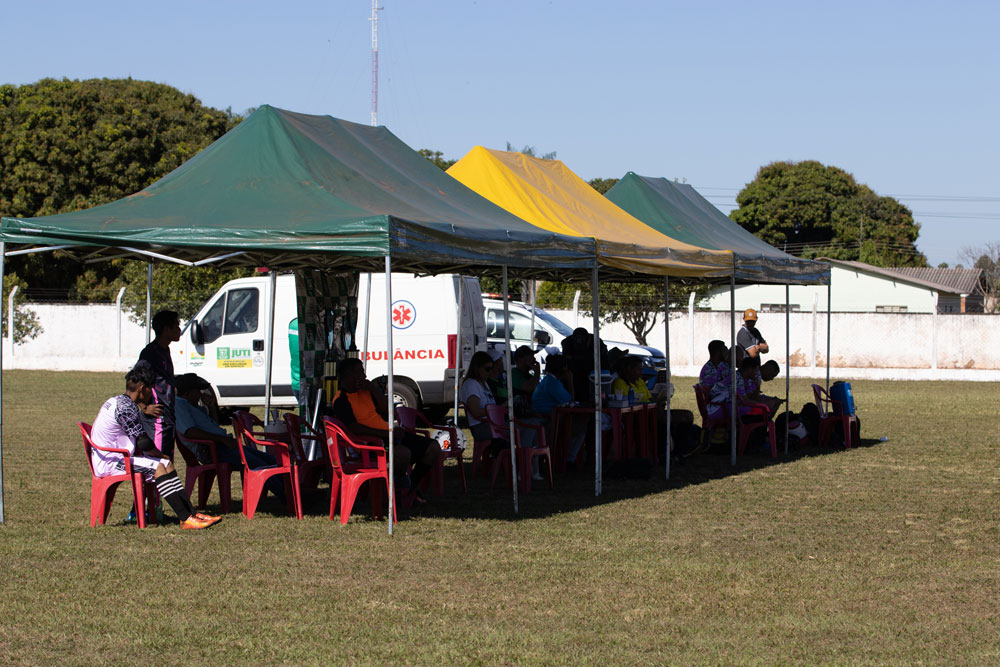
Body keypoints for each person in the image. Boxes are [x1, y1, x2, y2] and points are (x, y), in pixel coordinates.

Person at [89, 364, 220, 530]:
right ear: (143, 389)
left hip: (114, 457)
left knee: (167, 464)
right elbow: (143, 441)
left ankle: (191, 513)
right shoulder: (126, 407)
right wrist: (159, 454)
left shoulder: (119, 401)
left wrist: (160, 456)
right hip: (111, 462)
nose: (153, 394)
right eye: (151, 389)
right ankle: (186, 518)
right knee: (159, 466)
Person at [327, 358, 441, 503]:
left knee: (433, 448)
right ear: (349, 375)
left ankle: (410, 488)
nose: (364, 375)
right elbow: (354, 428)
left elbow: (387, 411)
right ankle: (396, 494)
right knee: (402, 453)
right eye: (361, 372)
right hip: (370, 443)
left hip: (388, 434)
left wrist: (373, 389)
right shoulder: (341, 400)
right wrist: (386, 434)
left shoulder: (366, 392)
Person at [173, 373, 285, 501]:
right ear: (187, 393)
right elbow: (190, 432)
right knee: (257, 464)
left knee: (269, 459)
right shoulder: (180, 405)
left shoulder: (195, 407)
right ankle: (285, 496)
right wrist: (221, 439)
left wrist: (211, 408)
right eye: (197, 391)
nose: (200, 394)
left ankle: (291, 490)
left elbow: (214, 425)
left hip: (223, 445)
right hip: (212, 449)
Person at [136, 309, 181, 458]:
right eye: (176, 326)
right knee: (159, 465)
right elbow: (134, 380)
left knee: (167, 463)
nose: (179, 330)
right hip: (157, 421)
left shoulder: (165, 350)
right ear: (166, 329)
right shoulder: (150, 353)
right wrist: (144, 407)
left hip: (168, 419)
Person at [532, 354, 587, 470]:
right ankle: (569, 459)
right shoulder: (553, 383)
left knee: (577, 425)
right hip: (548, 420)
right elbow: (570, 400)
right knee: (580, 429)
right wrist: (570, 381)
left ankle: (568, 458)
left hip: (549, 417)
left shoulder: (550, 380)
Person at [459, 351, 497, 443]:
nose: (490, 372)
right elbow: (475, 411)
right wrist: (497, 410)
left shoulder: (483, 382)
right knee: (517, 431)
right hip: (481, 426)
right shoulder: (471, 384)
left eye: (491, 368)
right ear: (477, 368)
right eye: (487, 369)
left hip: (490, 424)